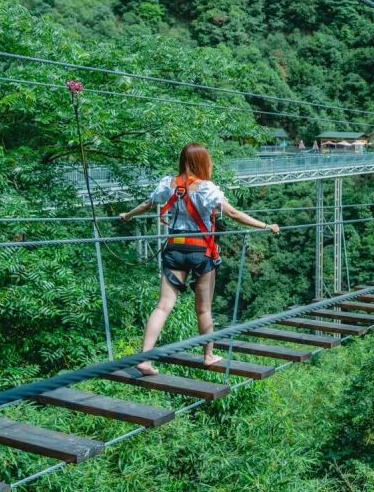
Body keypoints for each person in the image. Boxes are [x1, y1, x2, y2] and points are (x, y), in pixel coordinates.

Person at [118, 142, 279, 375]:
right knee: (203, 309)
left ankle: (144, 359)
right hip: (200, 251)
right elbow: (232, 213)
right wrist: (265, 225)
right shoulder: (207, 188)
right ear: (203, 162)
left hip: (174, 248)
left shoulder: (167, 184)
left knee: (163, 306)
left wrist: (128, 215)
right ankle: (208, 355)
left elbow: (147, 204)